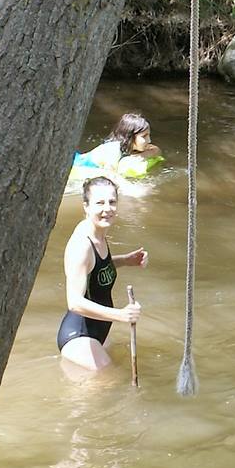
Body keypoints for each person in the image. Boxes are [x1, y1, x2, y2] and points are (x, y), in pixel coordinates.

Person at [58, 175, 147, 371]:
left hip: (96, 332)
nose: (107, 208)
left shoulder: (98, 233)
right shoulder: (82, 245)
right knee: (109, 386)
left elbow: (94, 269)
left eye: (112, 202)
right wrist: (120, 315)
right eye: (100, 202)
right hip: (79, 336)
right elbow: (74, 302)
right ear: (86, 206)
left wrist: (125, 260)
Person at [80, 111, 158, 173]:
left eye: (148, 135)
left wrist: (141, 156)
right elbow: (111, 175)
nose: (149, 140)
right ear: (129, 137)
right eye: (144, 136)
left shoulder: (135, 146)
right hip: (81, 164)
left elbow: (156, 150)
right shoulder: (113, 149)